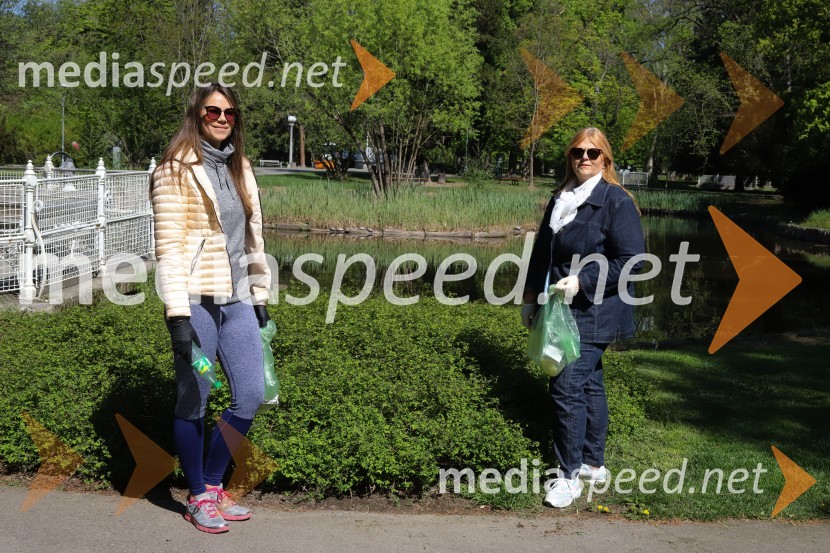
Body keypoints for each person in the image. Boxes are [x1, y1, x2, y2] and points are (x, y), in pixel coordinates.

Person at [151, 83, 272, 533]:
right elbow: (169, 248)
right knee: (195, 396)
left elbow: (252, 238)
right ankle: (198, 495)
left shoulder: (240, 166)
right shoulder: (173, 170)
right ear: (196, 115)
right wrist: (178, 318)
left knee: (251, 394)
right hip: (196, 299)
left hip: (238, 297)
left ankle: (215, 484)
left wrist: (260, 297)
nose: (222, 119)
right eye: (212, 111)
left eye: (229, 113)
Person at [521, 127, 645, 508]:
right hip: (560, 308)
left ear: (605, 159)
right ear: (570, 158)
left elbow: (632, 261)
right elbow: (542, 253)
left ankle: (569, 476)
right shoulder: (561, 198)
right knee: (589, 382)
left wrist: (583, 281)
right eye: (578, 152)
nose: (585, 159)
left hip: (597, 309)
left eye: (593, 153)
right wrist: (530, 298)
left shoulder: (615, 201)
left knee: (566, 385)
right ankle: (593, 464)